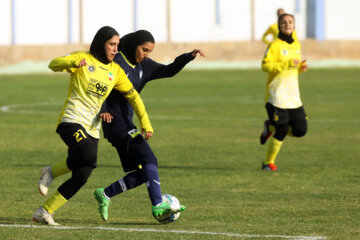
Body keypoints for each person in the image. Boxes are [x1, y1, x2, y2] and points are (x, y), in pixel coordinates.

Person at [33, 26, 154, 225]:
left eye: (117, 45)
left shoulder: (115, 70)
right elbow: (53, 64)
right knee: (88, 155)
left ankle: (44, 211)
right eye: (111, 44)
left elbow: (134, 97)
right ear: (101, 43)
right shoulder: (83, 57)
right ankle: (51, 172)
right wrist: (70, 61)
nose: (115, 49)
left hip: (92, 127)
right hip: (71, 120)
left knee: (83, 173)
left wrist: (146, 123)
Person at [93, 30, 205, 221]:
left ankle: (105, 194)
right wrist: (103, 108)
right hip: (115, 123)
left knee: (144, 170)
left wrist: (188, 57)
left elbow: (168, 70)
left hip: (127, 122)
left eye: (149, 52)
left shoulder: (144, 65)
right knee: (149, 159)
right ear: (134, 44)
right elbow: (100, 83)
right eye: (144, 50)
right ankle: (157, 204)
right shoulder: (117, 61)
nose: (146, 55)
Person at [259, 14, 308, 171]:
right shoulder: (274, 45)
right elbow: (265, 66)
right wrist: (284, 64)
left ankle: (270, 127)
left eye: (290, 22)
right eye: (284, 22)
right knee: (282, 128)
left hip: (293, 96)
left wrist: (300, 68)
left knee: (301, 130)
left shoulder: (297, 45)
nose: (287, 25)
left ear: (294, 25)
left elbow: (292, 69)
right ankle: (268, 163)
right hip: (276, 95)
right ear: (279, 25)